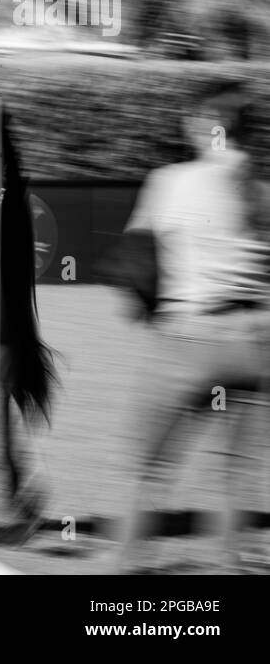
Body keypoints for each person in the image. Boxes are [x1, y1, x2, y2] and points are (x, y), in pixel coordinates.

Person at [115, 80, 270, 571]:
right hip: (253, 343)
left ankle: (129, 568)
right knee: (238, 472)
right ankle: (238, 560)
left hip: (186, 339)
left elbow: (134, 266)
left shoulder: (169, 181)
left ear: (204, 127)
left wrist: (142, 310)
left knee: (151, 469)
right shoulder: (264, 194)